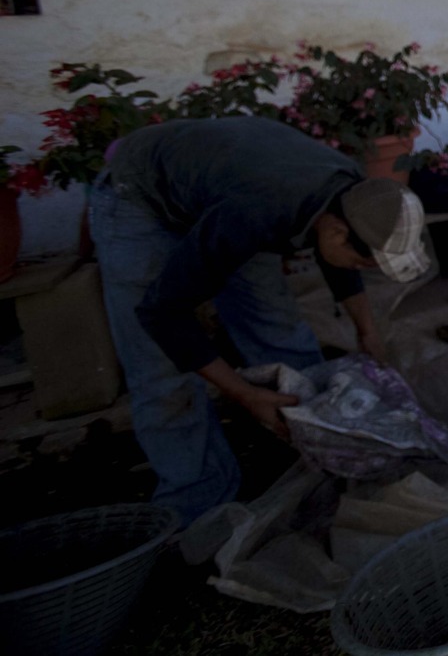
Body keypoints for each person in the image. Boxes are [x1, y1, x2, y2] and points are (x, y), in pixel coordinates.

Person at [88, 115, 430, 524]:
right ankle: (198, 503)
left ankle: (319, 447)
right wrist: (245, 395)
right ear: (337, 232)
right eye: (363, 259)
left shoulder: (356, 195)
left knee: (276, 325)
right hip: (141, 197)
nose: (361, 266)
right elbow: (162, 314)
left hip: (229, 191)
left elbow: (339, 260)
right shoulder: (256, 210)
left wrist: (367, 331)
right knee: (160, 371)